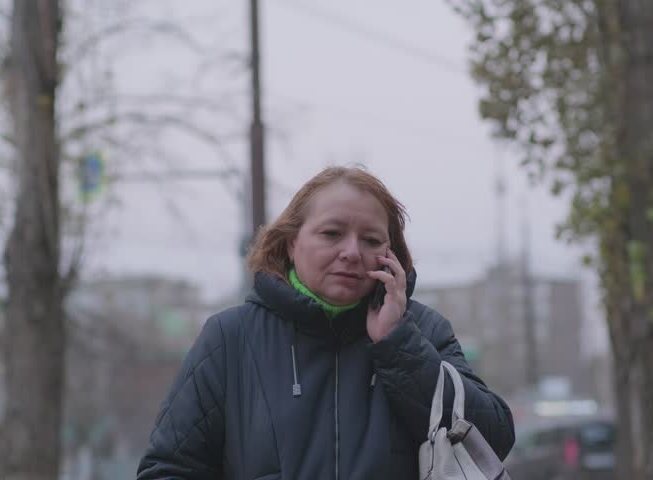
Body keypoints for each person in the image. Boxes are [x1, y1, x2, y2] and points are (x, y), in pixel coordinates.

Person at [137, 166, 515, 479]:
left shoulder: (423, 332)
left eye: (371, 240)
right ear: (290, 243)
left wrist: (398, 346)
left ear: (390, 254)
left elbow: (493, 439)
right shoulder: (232, 338)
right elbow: (167, 468)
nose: (352, 253)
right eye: (331, 233)